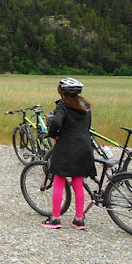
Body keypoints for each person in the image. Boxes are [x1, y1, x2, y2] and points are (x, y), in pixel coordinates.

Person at [42, 77, 96, 229]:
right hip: (84, 147)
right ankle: (79, 219)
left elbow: (56, 123)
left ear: (62, 92)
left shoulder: (63, 107)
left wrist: (53, 135)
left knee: (59, 180)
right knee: (78, 182)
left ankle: (55, 218)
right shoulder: (85, 105)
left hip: (67, 146)